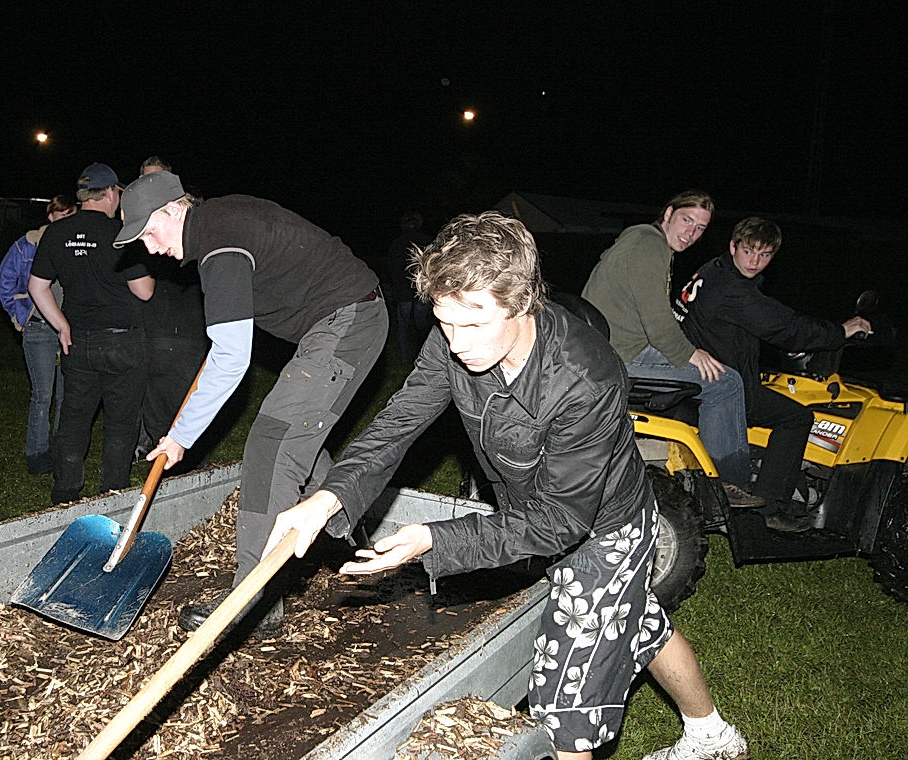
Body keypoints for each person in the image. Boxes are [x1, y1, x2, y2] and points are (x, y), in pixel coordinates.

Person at [266, 212, 749, 760]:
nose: (456, 343)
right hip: (538, 514)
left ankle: (695, 734)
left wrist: (435, 539)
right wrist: (331, 495)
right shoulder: (454, 339)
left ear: (523, 303)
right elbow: (401, 419)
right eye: (445, 324)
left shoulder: (584, 378)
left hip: (602, 531)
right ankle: (713, 735)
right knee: (638, 623)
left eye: (473, 325)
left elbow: (562, 522)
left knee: (562, 706)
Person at [114, 170, 389, 635]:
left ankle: (252, 601)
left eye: (150, 232)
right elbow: (227, 339)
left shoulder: (219, 245)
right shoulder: (219, 224)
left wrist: (180, 437)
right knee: (299, 437)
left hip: (346, 320)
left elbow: (231, 358)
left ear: (173, 209)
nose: (151, 247)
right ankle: (346, 527)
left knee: (272, 440)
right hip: (348, 316)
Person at [675, 216, 872, 533]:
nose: (754, 262)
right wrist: (841, 330)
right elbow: (787, 327)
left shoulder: (713, 270)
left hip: (697, 374)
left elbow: (762, 316)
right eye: (749, 251)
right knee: (795, 417)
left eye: (764, 255)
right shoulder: (733, 291)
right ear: (733, 246)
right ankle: (769, 507)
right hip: (720, 387)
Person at [582, 190, 759, 507]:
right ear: (667, 214)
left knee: (711, 370)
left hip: (612, 347)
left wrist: (689, 350)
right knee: (726, 383)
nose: (691, 233)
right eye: (686, 220)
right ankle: (728, 485)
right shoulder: (650, 245)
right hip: (620, 356)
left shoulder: (638, 241)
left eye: (700, 228)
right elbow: (658, 321)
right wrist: (692, 353)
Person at [28, 163, 155, 504]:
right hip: (123, 341)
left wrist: (61, 324)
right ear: (112, 193)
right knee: (121, 419)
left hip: (77, 340)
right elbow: (143, 291)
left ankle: (66, 489)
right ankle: (112, 492)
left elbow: (36, 287)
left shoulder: (55, 232)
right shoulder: (121, 232)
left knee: (74, 415)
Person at [130, 159, 209, 465]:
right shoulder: (145, 229)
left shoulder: (187, 220)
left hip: (189, 327)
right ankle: (163, 456)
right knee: (157, 404)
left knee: (186, 403)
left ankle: (192, 468)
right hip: (156, 327)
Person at [0, 194, 77, 475]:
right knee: (43, 394)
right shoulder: (26, 245)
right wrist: (21, 316)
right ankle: (37, 455)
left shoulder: (76, 245)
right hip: (39, 330)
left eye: (70, 215)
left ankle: (60, 452)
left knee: (67, 394)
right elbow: (5, 281)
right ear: (50, 215)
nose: (64, 220)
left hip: (70, 329)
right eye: (60, 215)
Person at [386, 210, 435, 364]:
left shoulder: (397, 243)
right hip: (420, 290)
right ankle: (425, 358)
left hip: (405, 292)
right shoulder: (426, 241)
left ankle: (404, 359)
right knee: (421, 325)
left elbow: (392, 268)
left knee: (404, 326)